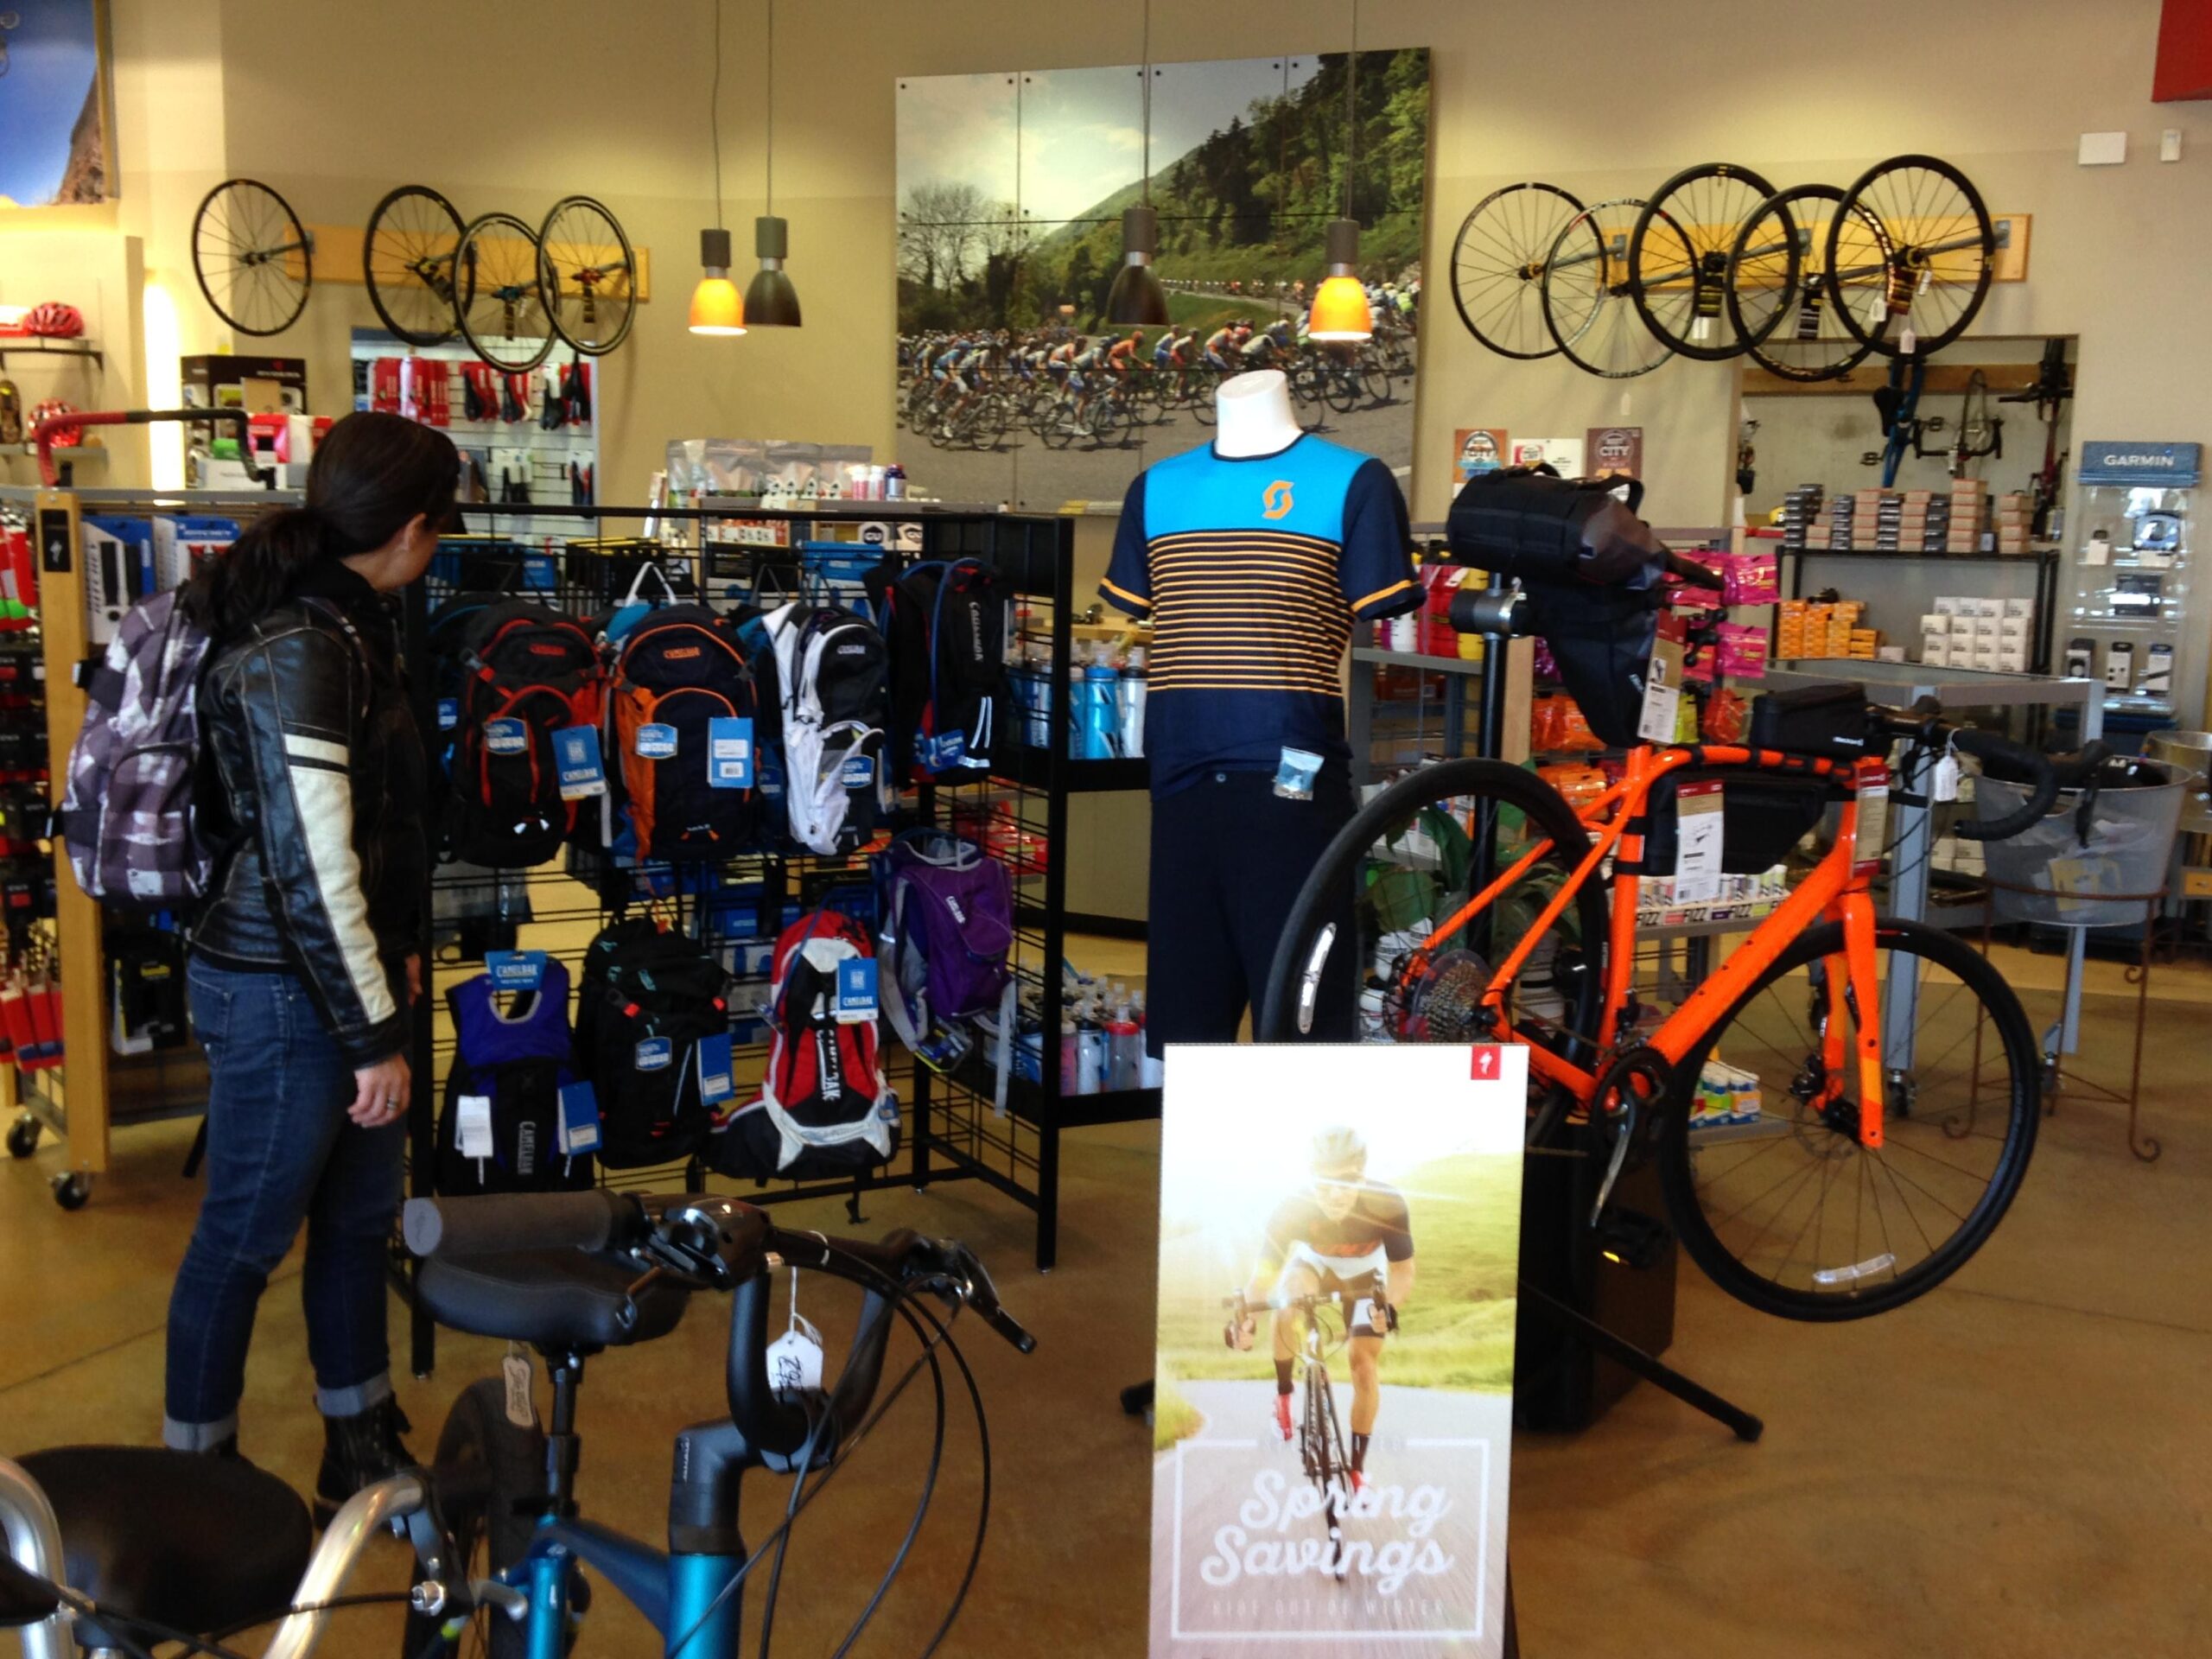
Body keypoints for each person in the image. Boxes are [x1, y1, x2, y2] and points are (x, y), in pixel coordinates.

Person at [167, 410, 453, 1523]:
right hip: (285, 990)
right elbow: (305, 864)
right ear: (413, 530)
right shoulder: (302, 648)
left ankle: (360, 1446)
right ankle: (190, 1491)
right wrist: (371, 1033)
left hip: (333, 981)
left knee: (349, 1228)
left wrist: (399, 963)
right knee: (241, 1243)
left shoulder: (349, 625)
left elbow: (372, 831)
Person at [1227, 1126, 1416, 1492]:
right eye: (1323, 1183)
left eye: (1345, 1182)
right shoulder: (1293, 1206)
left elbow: (1404, 1271)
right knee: (1287, 1302)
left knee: (1363, 1364)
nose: (1334, 1194)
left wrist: (1389, 1308)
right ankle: (1284, 1395)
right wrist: (1245, 1315)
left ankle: (1357, 1468)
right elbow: (1262, 1275)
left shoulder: (1387, 1202)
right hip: (1315, 1266)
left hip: (1367, 1275)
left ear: (1362, 1177)